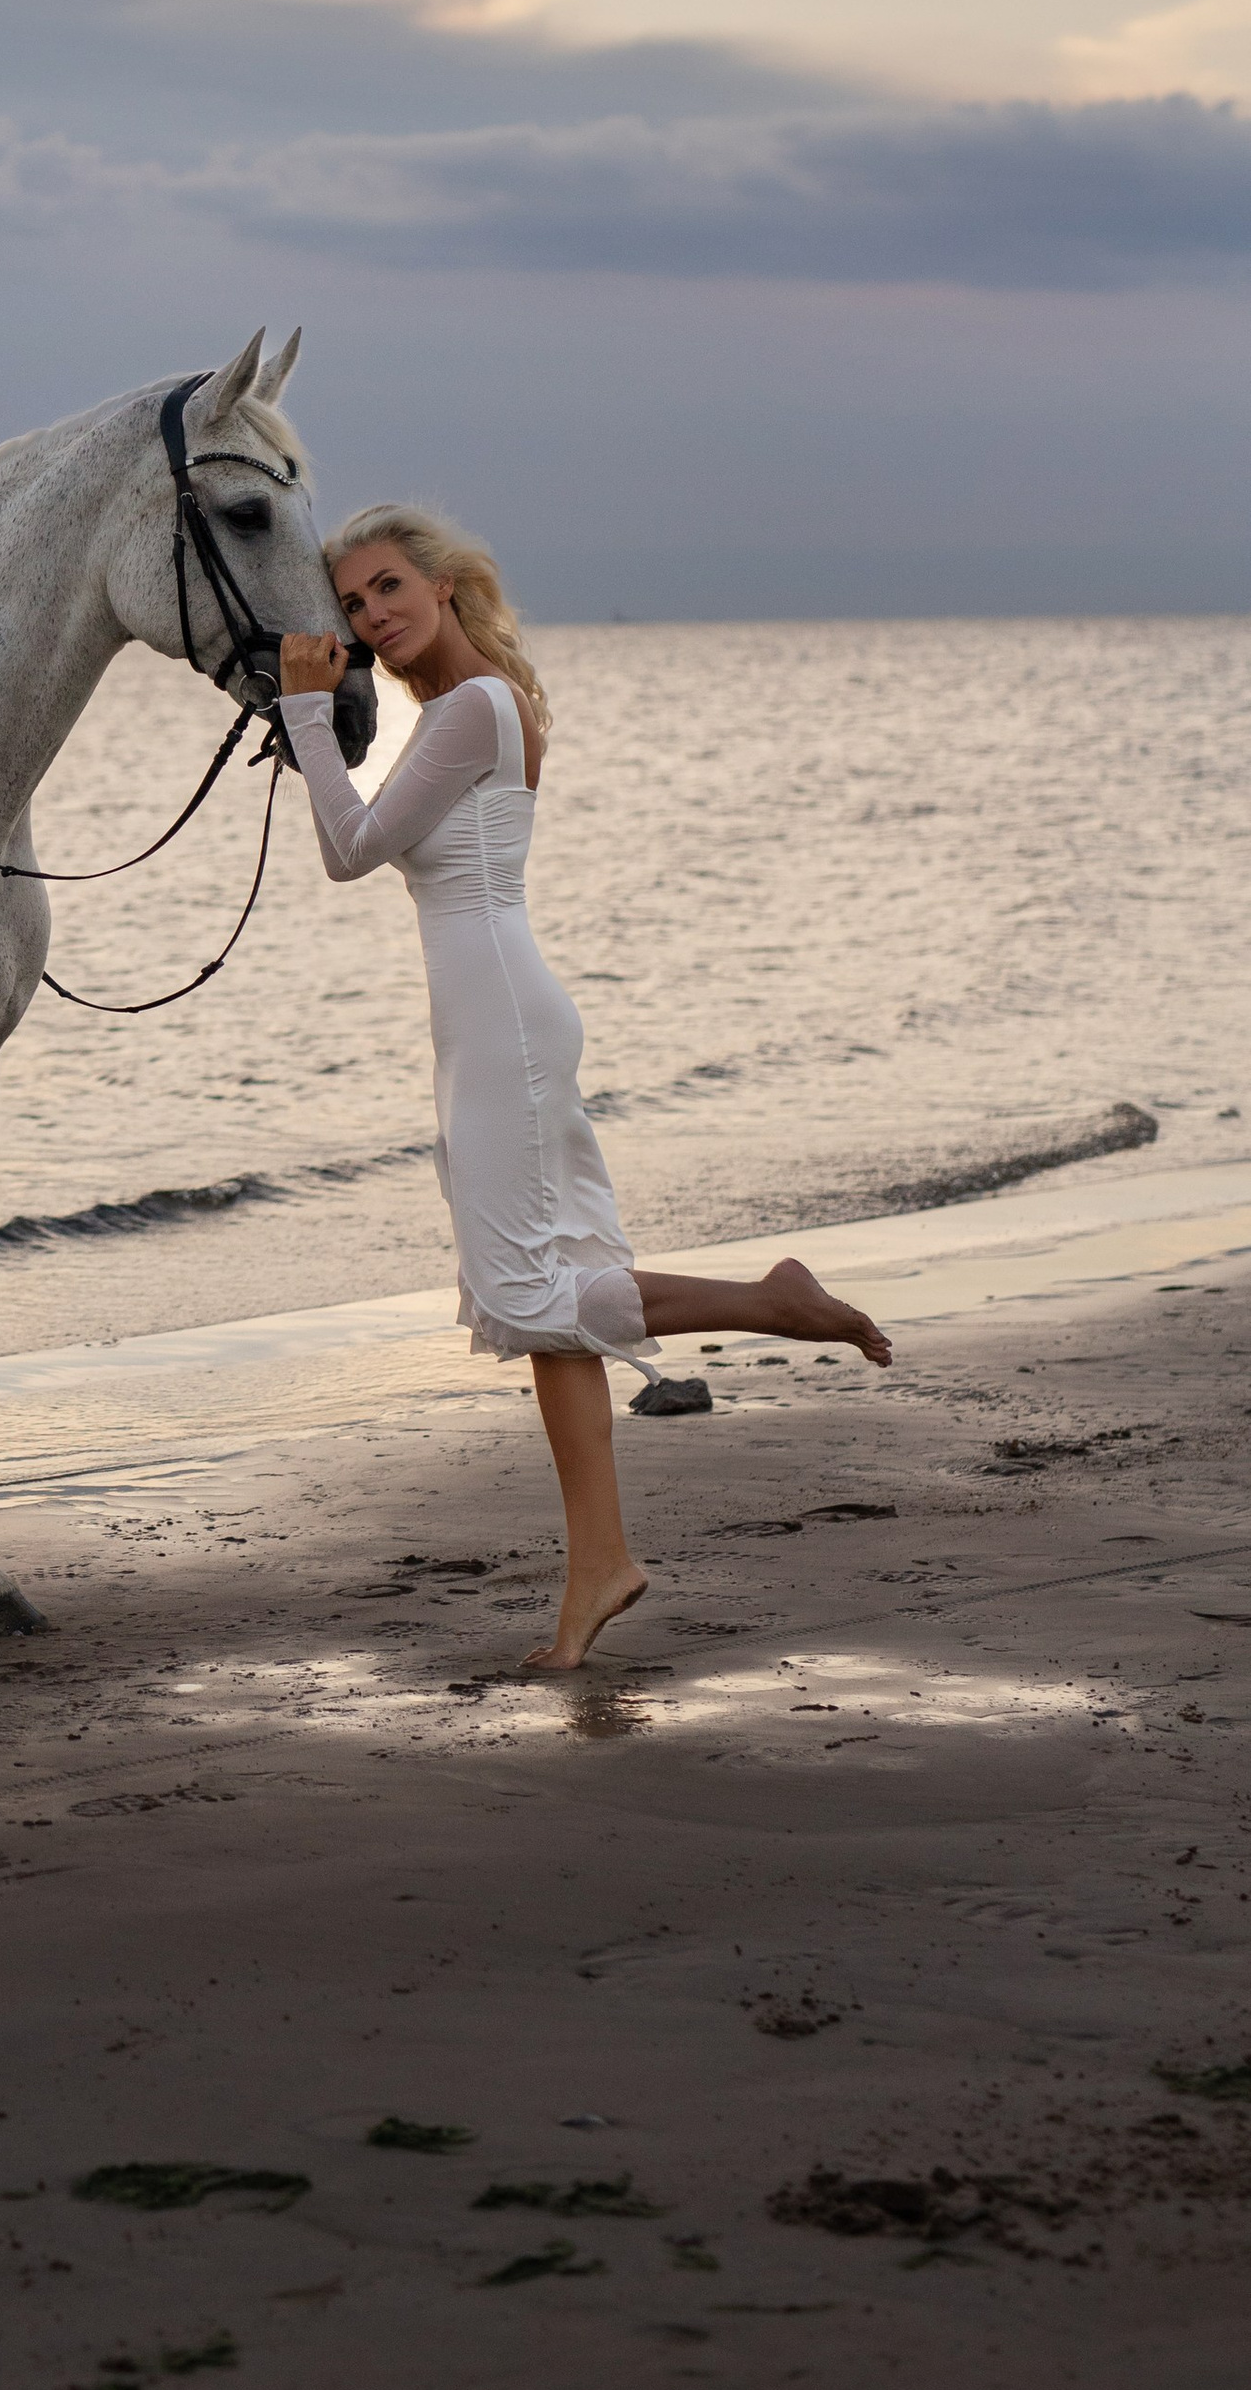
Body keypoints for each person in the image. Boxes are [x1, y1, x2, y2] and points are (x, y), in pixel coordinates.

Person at [276, 506, 891, 1671]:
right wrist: (320, 715)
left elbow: (347, 850)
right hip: (493, 1022)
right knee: (547, 1303)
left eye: (388, 588)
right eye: (351, 604)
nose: (371, 616)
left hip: (501, 1022)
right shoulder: (473, 710)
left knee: (524, 1292)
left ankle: (773, 1300)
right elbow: (370, 833)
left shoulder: (474, 710)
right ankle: (599, 1566)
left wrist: (309, 709)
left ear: (445, 585)